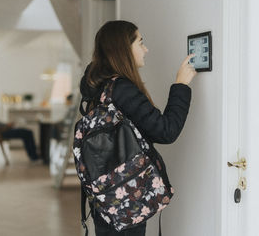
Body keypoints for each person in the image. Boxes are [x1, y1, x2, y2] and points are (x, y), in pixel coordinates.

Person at [79, 20, 196, 236]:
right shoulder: (121, 89)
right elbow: (165, 131)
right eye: (140, 42)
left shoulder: (97, 88)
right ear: (124, 49)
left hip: (105, 198)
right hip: (126, 199)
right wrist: (181, 85)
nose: (146, 49)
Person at [0, 95, 39, 161]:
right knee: (28, 133)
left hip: (2, 130)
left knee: (26, 132)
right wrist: (6, 125)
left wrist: (7, 124)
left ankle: (33, 156)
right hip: (0, 132)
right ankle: (34, 157)